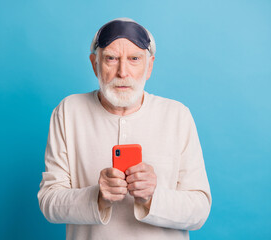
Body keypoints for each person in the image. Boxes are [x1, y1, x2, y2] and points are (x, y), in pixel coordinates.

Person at [38, 18, 211, 240]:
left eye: (134, 59)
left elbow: (199, 210)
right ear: (95, 64)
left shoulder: (177, 116)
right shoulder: (68, 112)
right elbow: (49, 201)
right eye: (111, 58)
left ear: (149, 66)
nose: (123, 72)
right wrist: (98, 198)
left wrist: (152, 197)